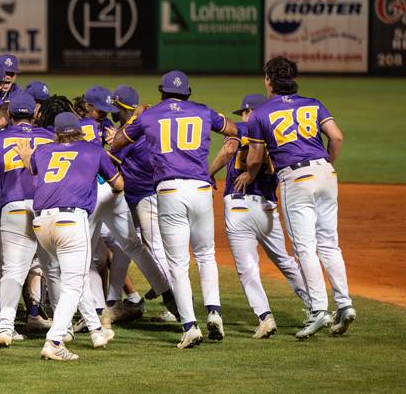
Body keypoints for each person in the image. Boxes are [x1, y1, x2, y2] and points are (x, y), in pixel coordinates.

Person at [111, 70, 237, 349]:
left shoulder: (149, 115)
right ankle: (214, 311)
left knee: (178, 262)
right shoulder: (203, 111)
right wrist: (234, 139)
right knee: (206, 254)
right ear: (188, 92)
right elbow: (233, 130)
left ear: (161, 92)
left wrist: (135, 119)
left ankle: (190, 326)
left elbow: (117, 142)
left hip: (168, 191)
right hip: (201, 188)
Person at [234, 56, 354, 339]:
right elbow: (336, 137)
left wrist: (250, 175)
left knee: (304, 247)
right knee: (329, 243)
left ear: (269, 81)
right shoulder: (313, 103)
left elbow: (255, 157)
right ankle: (345, 304)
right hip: (325, 173)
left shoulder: (261, 114)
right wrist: (328, 164)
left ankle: (318, 311)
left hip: (295, 178)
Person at [16, 111, 121, 360]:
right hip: (71, 221)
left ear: (56, 132)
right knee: (74, 282)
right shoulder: (93, 150)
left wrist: (25, 159)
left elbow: (31, 167)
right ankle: (54, 341)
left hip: (42, 224)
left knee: (76, 277)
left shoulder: (43, 151)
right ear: (80, 131)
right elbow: (119, 185)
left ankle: (96, 330)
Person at [209, 93, 310, 339]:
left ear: (249, 112)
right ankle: (316, 306)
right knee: (285, 261)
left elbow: (230, 147)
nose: (242, 117)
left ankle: (265, 317)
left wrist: (209, 172)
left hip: (239, 206)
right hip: (267, 207)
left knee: (247, 269)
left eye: (243, 112)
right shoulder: (278, 135)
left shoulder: (243, 129)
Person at [0, 92, 59, 347]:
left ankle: (5, 326)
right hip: (45, 206)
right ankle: (61, 326)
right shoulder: (48, 136)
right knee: (53, 268)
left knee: (11, 270)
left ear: (9, 115)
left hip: (13, 207)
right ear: (34, 114)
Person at [109, 85, 177, 323]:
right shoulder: (145, 125)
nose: (112, 112)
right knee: (122, 246)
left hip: (146, 197)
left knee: (154, 248)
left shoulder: (131, 132)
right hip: (138, 197)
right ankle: (113, 301)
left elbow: (110, 159)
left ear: (123, 108)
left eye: (115, 107)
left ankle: (174, 301)